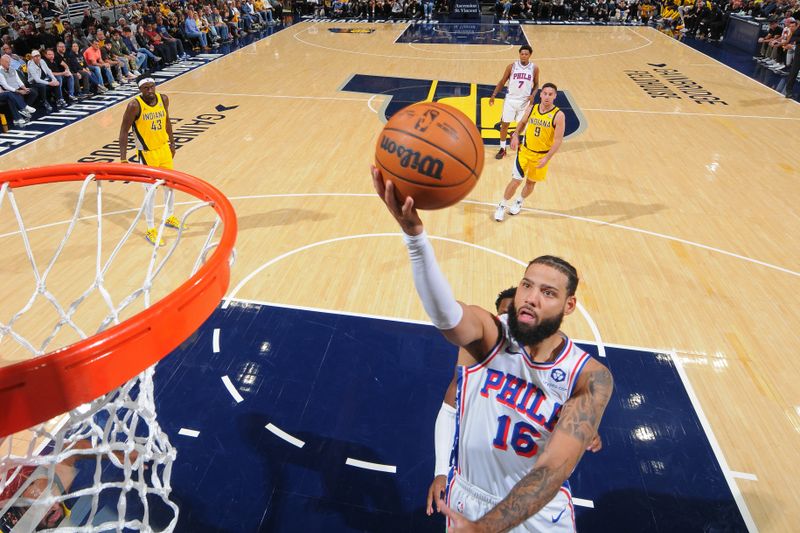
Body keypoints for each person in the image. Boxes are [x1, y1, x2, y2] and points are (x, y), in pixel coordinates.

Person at [372, 167, 613, 531]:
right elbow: (446, 315)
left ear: (569, 305)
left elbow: (552, 470)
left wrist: (485, 528)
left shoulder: (590, 377)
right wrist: (415, 237)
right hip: (467, 497)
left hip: (536, 513)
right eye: (526, 286)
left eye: (548, 293)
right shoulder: (490, 336)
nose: (531, 299)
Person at [425, 286, 604, 517]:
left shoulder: (567, 367)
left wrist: (583, 425)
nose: (507, 321)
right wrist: (441, 471)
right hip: (474, 490)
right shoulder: (479, 353)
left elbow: (575, 417)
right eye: (502, 315)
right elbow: (450, 407)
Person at [118, 76, 185, 246]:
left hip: (163, 149)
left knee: (170, 186)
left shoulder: (163, 99)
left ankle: (169, 216)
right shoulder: (134, 105)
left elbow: (167, 121)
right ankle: (150, 228)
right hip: (147, 154)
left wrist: (172, 142)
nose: (150, 90)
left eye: (152, 86)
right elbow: (124, 131)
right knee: (151, 192)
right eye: (146, 88)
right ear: (140, 89)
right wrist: (124, 158)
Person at [494, 82, 564, 222]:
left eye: (550, 94)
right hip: (525, 152)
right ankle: (502, 205)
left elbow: (557, 141)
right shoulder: (532, 108)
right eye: (545, 93)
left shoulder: (558, 115)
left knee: (531, 183)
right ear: (541, 94)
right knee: (516, 181)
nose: (547, 97)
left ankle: (519, 201)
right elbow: (522, 123)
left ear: (555, 96)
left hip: (541, 156)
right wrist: (515, 135)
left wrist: (547, 158)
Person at [489, 45, 539, 160]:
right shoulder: (512, 67)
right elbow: (502, 82)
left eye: (526, 54)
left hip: (524, 102)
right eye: (522, 54)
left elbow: (536, 84)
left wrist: (533, 95)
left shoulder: (534, 68)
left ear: (530, 55)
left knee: (523, 125)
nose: (524, 56)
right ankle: (502, 149)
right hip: (510, 100)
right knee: (504, 124)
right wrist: (493, 95)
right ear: (519, 54)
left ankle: (516, 137)